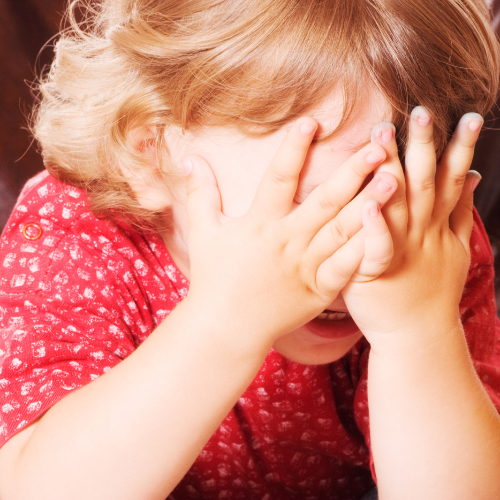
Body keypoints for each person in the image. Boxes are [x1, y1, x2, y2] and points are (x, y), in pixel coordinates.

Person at [0, 0, 500, 499]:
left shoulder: (431, 251)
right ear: (150, 157)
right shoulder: (76, 230)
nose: (362, 251)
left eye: (397, 204)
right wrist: (225, 321)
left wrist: (416, 330)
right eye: (310, 206)